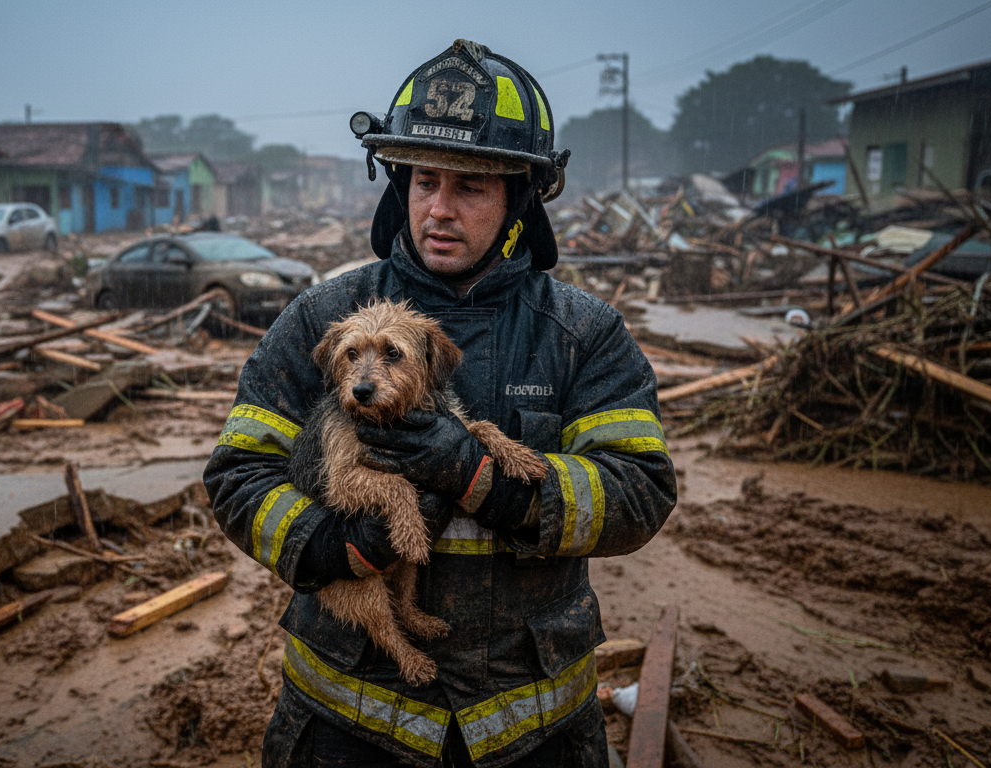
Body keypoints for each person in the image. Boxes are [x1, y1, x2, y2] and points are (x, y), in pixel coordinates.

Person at [204, 39, 676, 768]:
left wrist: (482, 478)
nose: (440, 210)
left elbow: (640, 492)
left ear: (519, 197)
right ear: (399, 185)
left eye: (472, 187)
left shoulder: (583, 334)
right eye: (424, 181)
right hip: (344, 726)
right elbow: (238, 473)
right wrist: (328, 546)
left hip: (534, 733)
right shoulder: (321, 317)